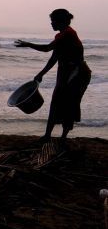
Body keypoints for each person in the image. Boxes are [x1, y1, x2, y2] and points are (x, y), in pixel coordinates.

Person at [14, 8, 91, 144]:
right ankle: (47, 135)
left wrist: (28, 44)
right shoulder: (61, 36)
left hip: (77, 74)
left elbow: (47, 48)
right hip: (66, 72)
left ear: (60, 21)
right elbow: (54, 58)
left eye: (53, 21)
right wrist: (41, 74)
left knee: (69, 103)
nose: (51, 24)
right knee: (56, 102)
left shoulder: (68, 34)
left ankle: (62, 137)